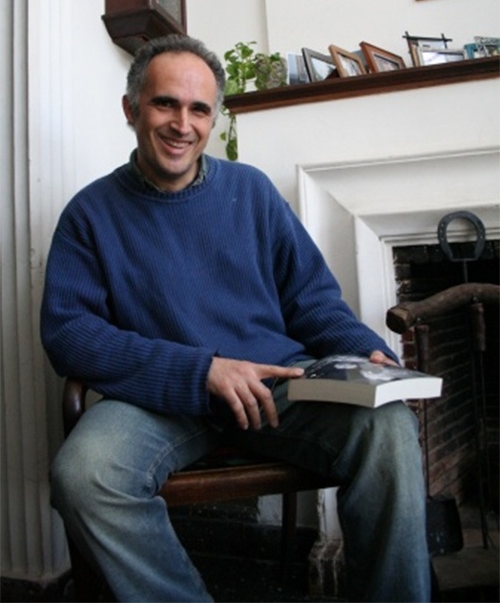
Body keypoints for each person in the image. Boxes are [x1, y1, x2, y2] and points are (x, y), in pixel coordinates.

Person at [41, 34, 431, 603]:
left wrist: (366, 353)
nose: (183, 125)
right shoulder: (89, 214)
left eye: (199, 109)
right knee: (83, 475)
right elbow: (69, 335)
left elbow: (312, 300)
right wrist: (201, 371)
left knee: (389, 427)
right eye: (165, 103)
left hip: (276, 384)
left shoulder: (252, 192)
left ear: (213, 117)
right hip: (159, 399)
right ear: (131, 108)